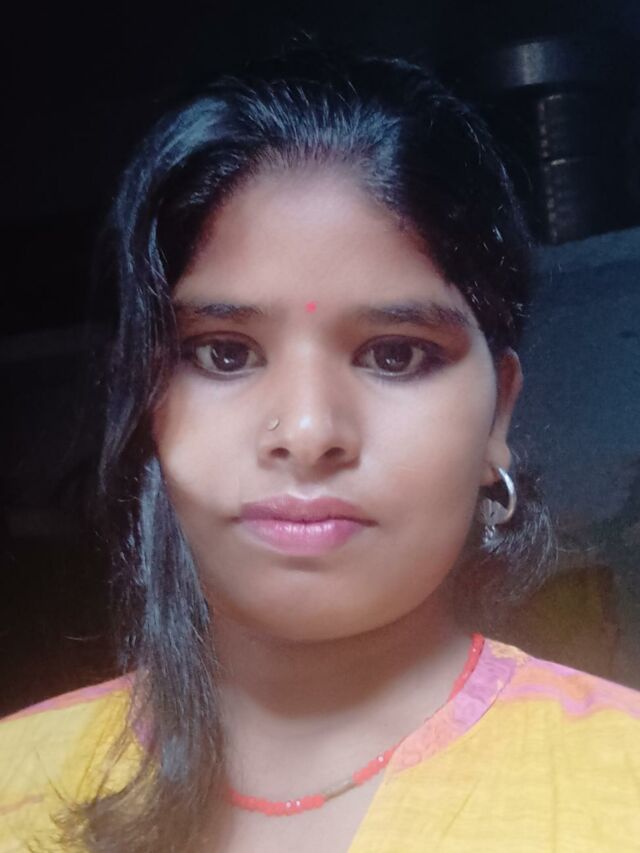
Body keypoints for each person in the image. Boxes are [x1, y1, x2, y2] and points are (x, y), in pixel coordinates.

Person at [1, 46, 639, 853]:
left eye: (395, 354)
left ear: (497, 417)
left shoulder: (618, 791)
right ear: (147, 403)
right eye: (224, 353)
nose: (306, 432)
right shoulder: (19, 786)